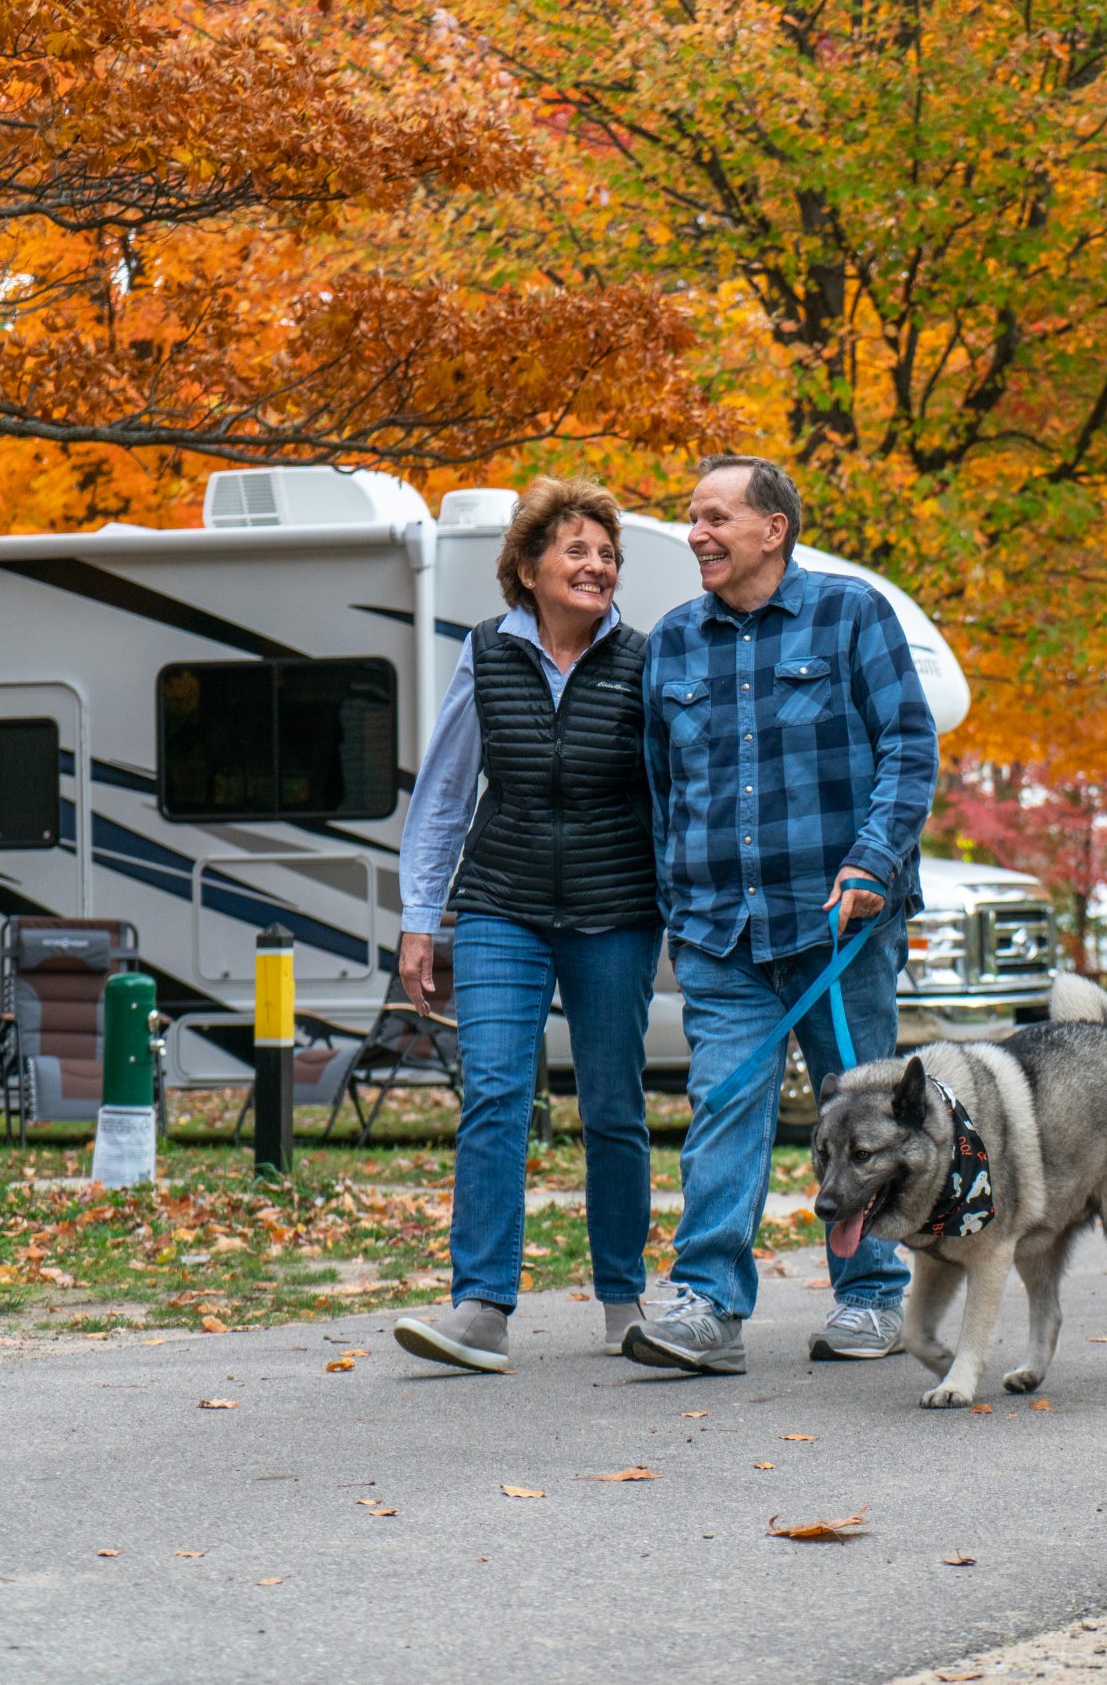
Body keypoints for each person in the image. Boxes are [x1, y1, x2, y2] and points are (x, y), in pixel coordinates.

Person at [622, 454, 939, 1374]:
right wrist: (676, 905)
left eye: (716, 516)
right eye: (691, 518)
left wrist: (875, 860)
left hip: (839, 929)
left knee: (867, 1116)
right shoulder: (673, 641)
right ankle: (707, 1305)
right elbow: (661, 792)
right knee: (722, 1102)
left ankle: (875, 1296)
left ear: (774, 528)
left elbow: (909, 751)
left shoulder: (851, 617)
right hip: (723, 930)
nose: (696, 534)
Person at [390, 477, 661, 1374]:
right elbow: (442, 791)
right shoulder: (486, 654)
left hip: (613, 908)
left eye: (607, 554)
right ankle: (481, 1307)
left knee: (614, 1104)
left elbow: (670, 793)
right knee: (496, 1091)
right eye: (577, 550)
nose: (596, 565)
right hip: (503, 903)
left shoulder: (642, 660)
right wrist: (419, 918)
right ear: (530, 566)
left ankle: (624, 1299)